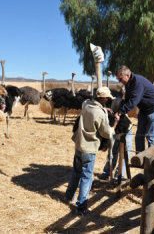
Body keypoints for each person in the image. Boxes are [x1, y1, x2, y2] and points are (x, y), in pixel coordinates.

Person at [65, 87, 119, 216]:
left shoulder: (86, 104)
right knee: (87, 177)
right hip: (89, 149)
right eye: (107, 98)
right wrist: (115, 124)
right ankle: (81, 206)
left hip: (78, 145)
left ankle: (68, 196)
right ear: (104, 98)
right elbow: (106, 133)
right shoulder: (100, 113)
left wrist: (103, 109)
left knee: (76, 172)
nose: (108, 100)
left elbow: (91, 106)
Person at [116, 65, 154, 153]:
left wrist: (121, 112)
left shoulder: (137, 82)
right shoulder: (128, 84)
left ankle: (151, 160)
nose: (120, 82)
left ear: (127, 75)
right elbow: (127, 99)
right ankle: (139, 159)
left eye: (120, 79)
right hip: (144, 110)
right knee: (139, 135)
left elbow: (133, 101)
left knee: (150, 136)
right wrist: (119, 108)